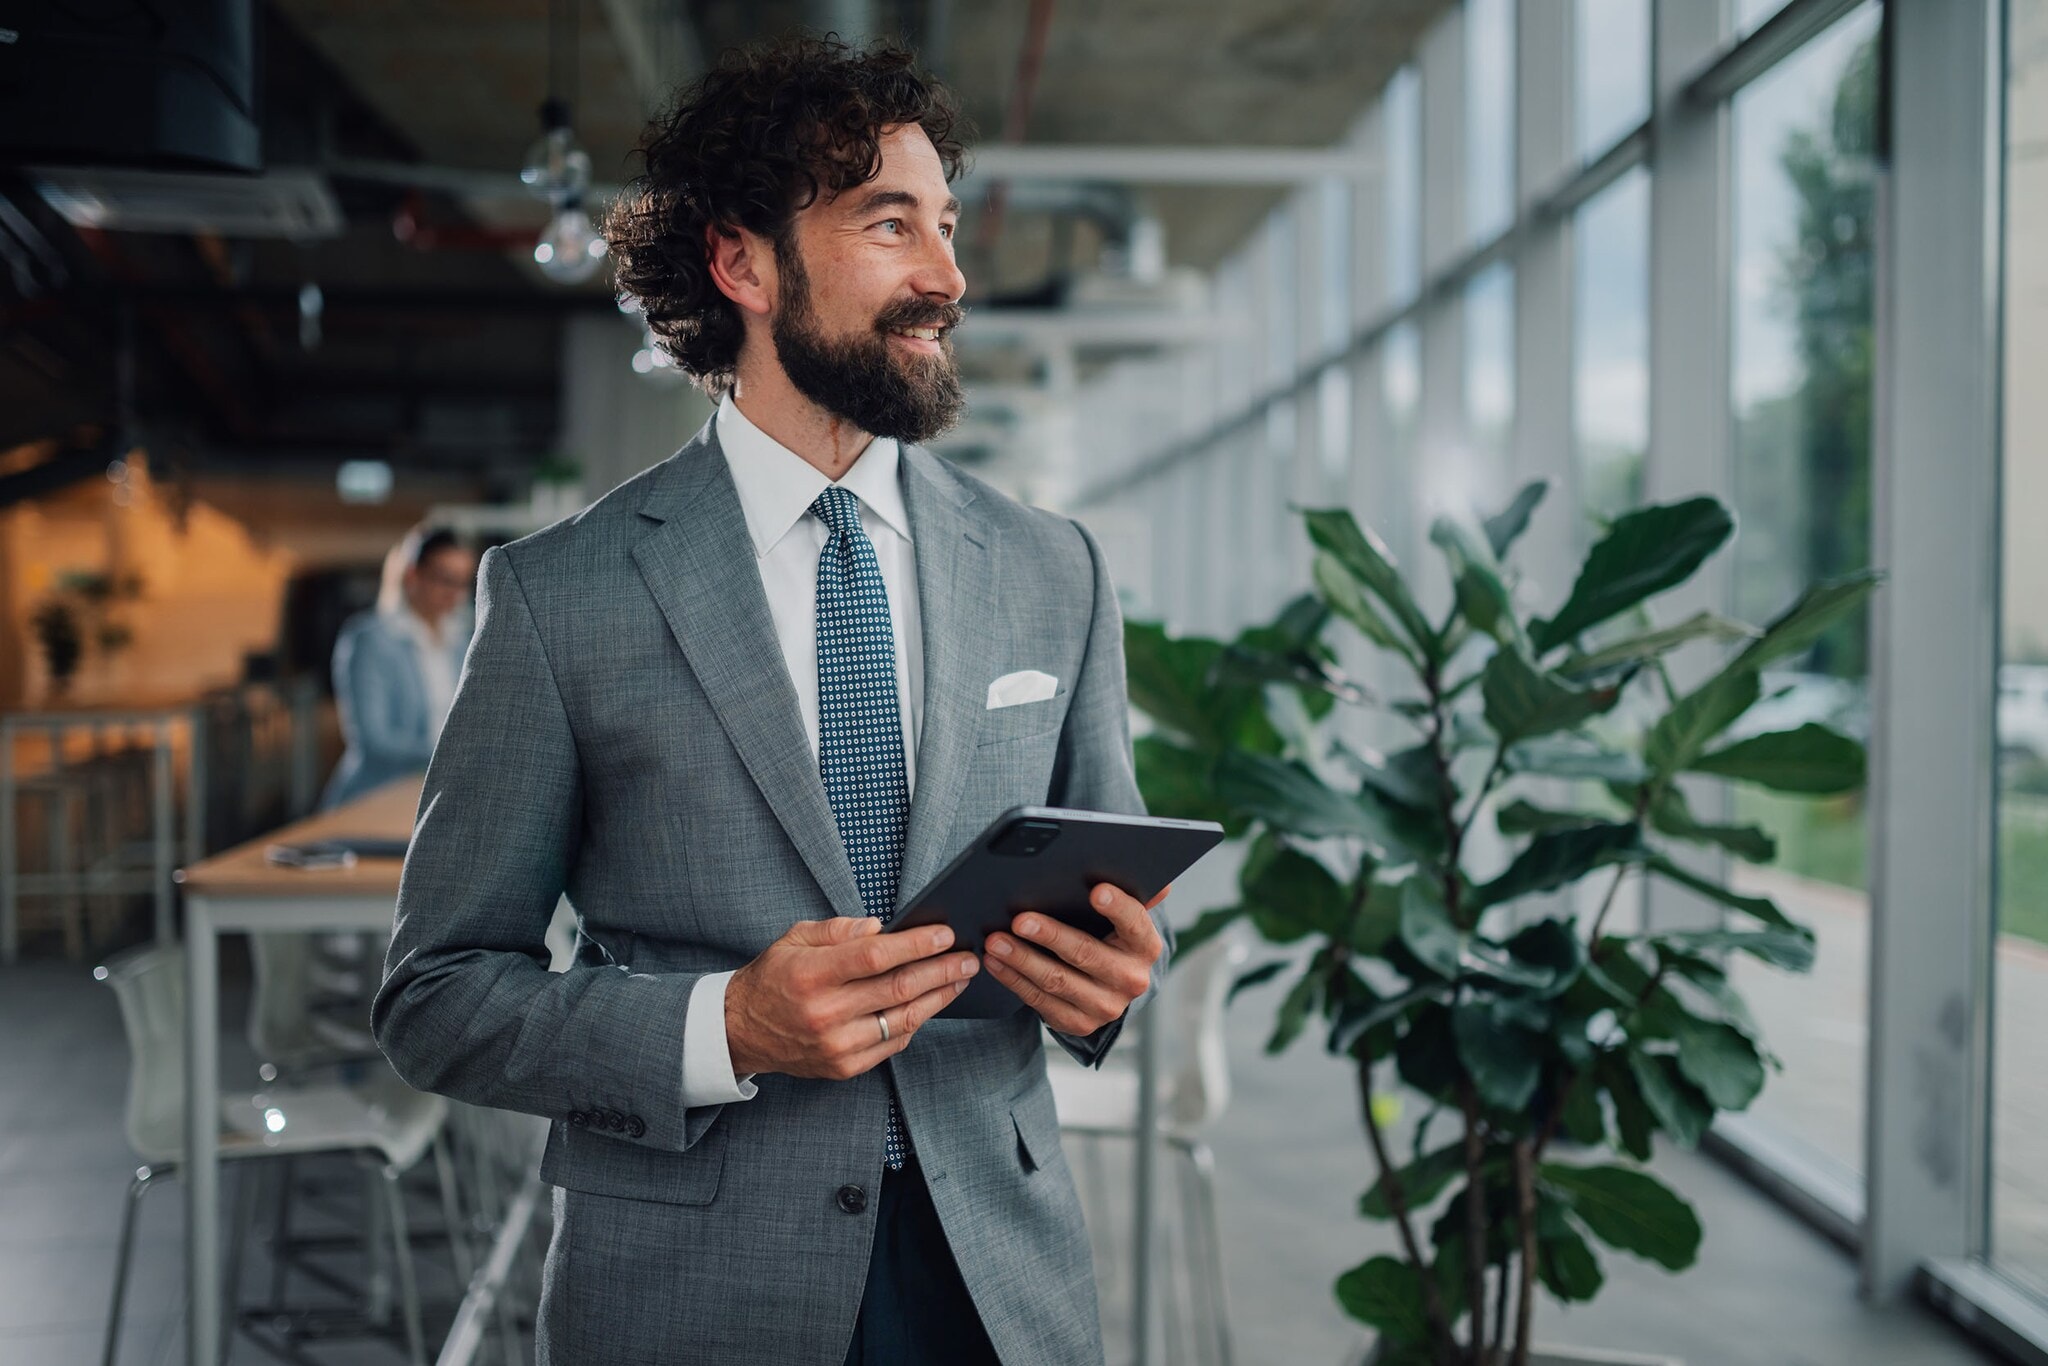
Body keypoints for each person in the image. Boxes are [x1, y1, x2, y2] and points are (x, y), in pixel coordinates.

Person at [372, 35, 1170, 1366]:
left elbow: (1112, 898)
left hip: (1000, 1279)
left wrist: (1113, 980)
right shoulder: (562, 596)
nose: (949, 277)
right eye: (890, 224)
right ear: (742, 264)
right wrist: (723, 1025)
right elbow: (439, 996)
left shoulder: (1056, 570)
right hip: (694, 1289)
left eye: (949, 227)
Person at [321, 525, 477, 808]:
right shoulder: (371, 639)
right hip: (374, 799)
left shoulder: (461, 643)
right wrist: (455, 754)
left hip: (432, 796)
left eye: (463, 582)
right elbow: (374, 740)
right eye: (445, 579)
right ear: (412, 575)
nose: (455, 593)